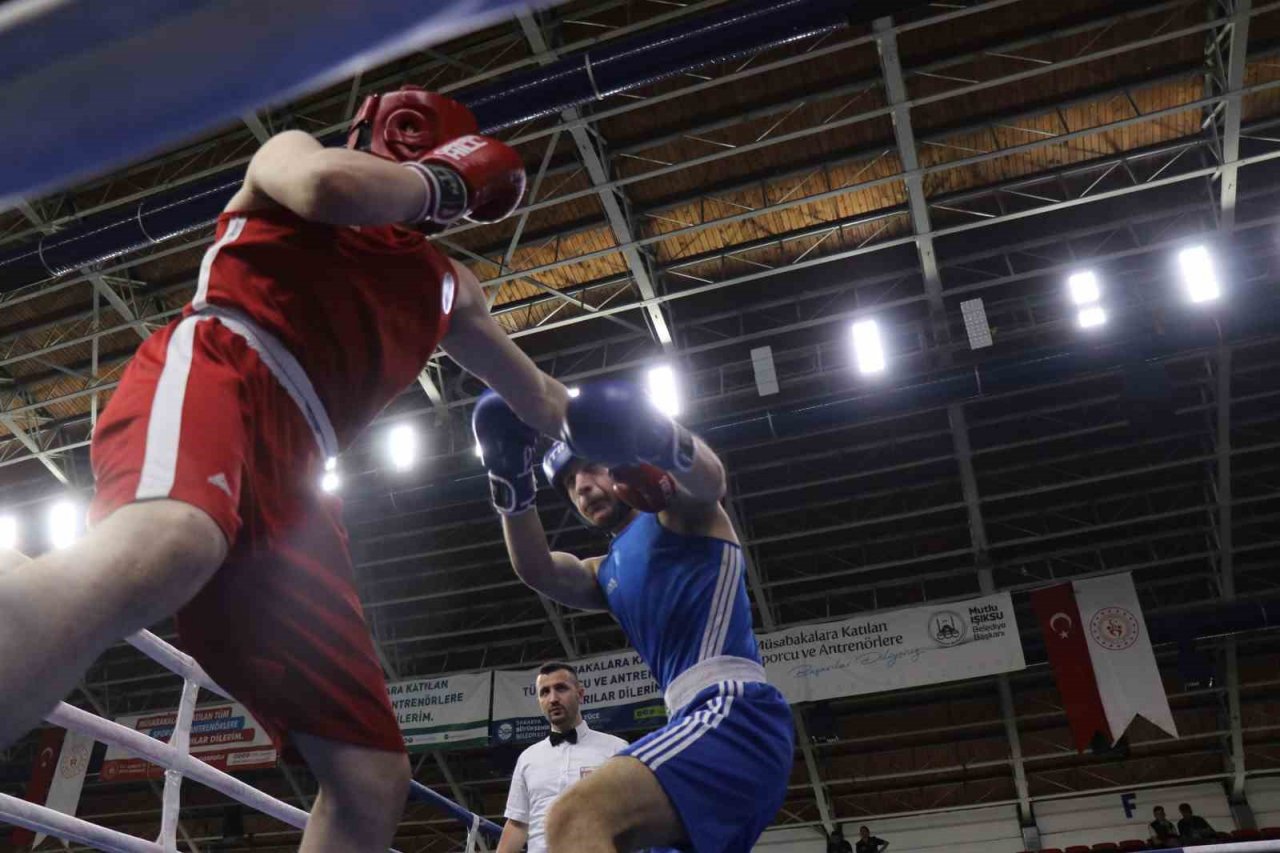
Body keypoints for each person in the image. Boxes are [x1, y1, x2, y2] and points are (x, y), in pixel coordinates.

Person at [0, 86, 574, 852]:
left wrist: (645, 436)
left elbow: (540, 397)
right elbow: (326, 187)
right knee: (171, 539)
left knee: (372, 776)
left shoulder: (449, 285)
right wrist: (445, 180)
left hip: (302, 476)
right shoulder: (294, 155)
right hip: (225, 364)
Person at [472, 379, 795, 853]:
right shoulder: (603, 571)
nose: (582, 486)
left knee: (574, 816)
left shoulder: (678, 516)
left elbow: (710, 480)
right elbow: (536, 568)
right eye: (568, 483)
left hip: (733, 713)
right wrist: (508, 477)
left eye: (591, 467)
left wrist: (652, 437)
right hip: (692, 723)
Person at [499, 662, 630, 853]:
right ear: (539, 701)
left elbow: (634, 816)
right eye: (545, 692)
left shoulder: (616, 749)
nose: (553, 698)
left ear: (580, 694)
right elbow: (518, 824)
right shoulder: (528, 758)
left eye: (561, 688)